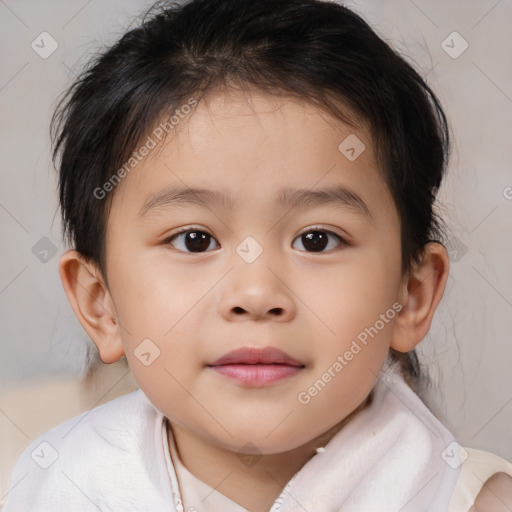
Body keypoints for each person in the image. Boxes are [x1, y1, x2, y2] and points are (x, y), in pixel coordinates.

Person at [3, 0, 511, 510]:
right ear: (101, 304)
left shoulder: (467, 500)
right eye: (194, 240)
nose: (256, 294)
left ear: (411, 295)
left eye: (317, 239)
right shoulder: (57, 485)